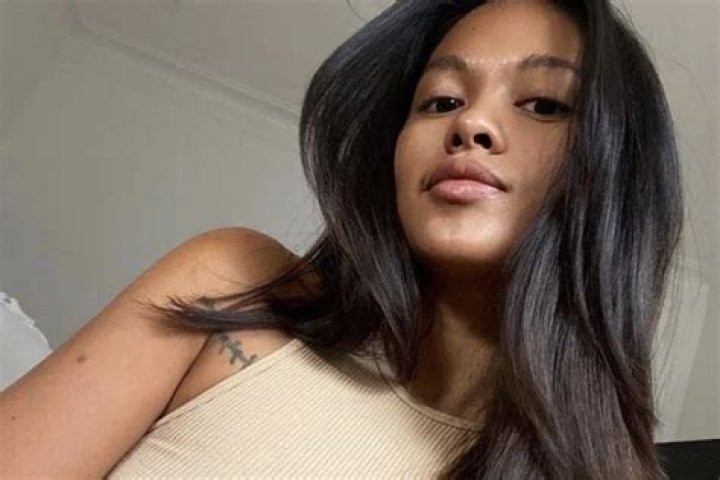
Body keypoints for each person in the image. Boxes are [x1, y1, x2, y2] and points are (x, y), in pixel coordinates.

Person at [0, 0, 683, 478]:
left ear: (616, 169)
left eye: (544, 104)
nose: (471, 123)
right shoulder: (234, 287)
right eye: (441, 100)